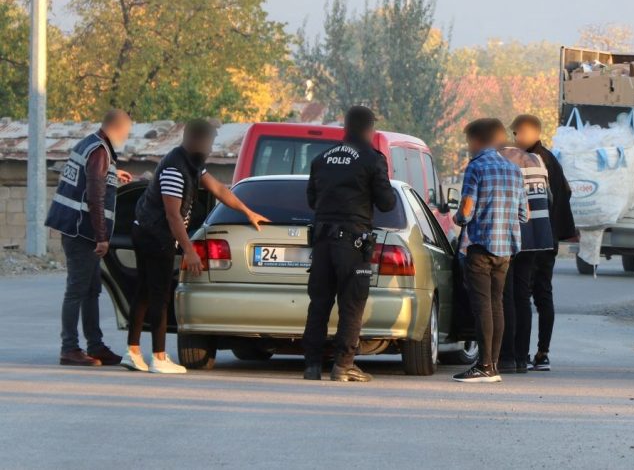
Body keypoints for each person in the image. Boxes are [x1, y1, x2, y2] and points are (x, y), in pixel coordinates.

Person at [123, 119, 269, 374]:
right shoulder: (174, 168)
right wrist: (189, 250)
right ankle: (158, 357)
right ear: (195, 140)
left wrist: (247, 211)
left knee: (146, 292)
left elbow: (219, 190)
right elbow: (172, 216)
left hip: (152, 231)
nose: (211, 147)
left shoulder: (192, 163)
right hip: (155, 235)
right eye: (209, 142)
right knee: (158, 296)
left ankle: (133, 352)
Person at [301, 106, 397, 383]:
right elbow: (387, 203)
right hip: (353, 244)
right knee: (352, 304)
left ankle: (311, 365)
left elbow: (311, 201)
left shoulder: (321, 159)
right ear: (370, 129)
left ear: (345, 126)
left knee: (318, 303)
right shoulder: (372, 159)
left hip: (321, 243)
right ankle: (343, 365)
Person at [45, 109, 134, 367]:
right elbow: (95, 197)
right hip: (81, 230)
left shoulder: (91, 144)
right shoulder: (99, 151)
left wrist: (113, 175)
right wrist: (102, 237)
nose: (126, 136)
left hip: (77, 228)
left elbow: (92, 178)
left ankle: (95, 345)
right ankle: (69, 348)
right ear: (116, 128)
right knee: (77, 290)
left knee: (91, 289)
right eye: (126, 131)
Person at [453, 118, 529, 383]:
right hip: (506, 249)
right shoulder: (513, 169)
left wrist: (459, 220)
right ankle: (493, 364)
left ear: (477, 140)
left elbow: (466, 209)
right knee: (497, 304)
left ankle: (483, 365)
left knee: (482, 306)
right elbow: (524, 214)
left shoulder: (476, 167)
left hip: (480, 247)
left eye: (468, 142)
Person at [509, 114, 574, 371]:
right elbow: (565, 193)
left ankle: (521, 353)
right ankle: (542, 352)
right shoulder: (552, 159)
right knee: (544, 295)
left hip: (533, 237)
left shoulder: (531, 161)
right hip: (550, 238)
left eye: (516, 134)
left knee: (523, 295)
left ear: (526, 133)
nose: (514, 140)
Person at [495, 123, 555, 375]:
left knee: (505, 294)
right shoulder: (537, 160)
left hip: (514, 232)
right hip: (538, 235)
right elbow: (549, 198)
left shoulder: (501, 161)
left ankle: (506, 356)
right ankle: (521, 357)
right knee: (523, 295)